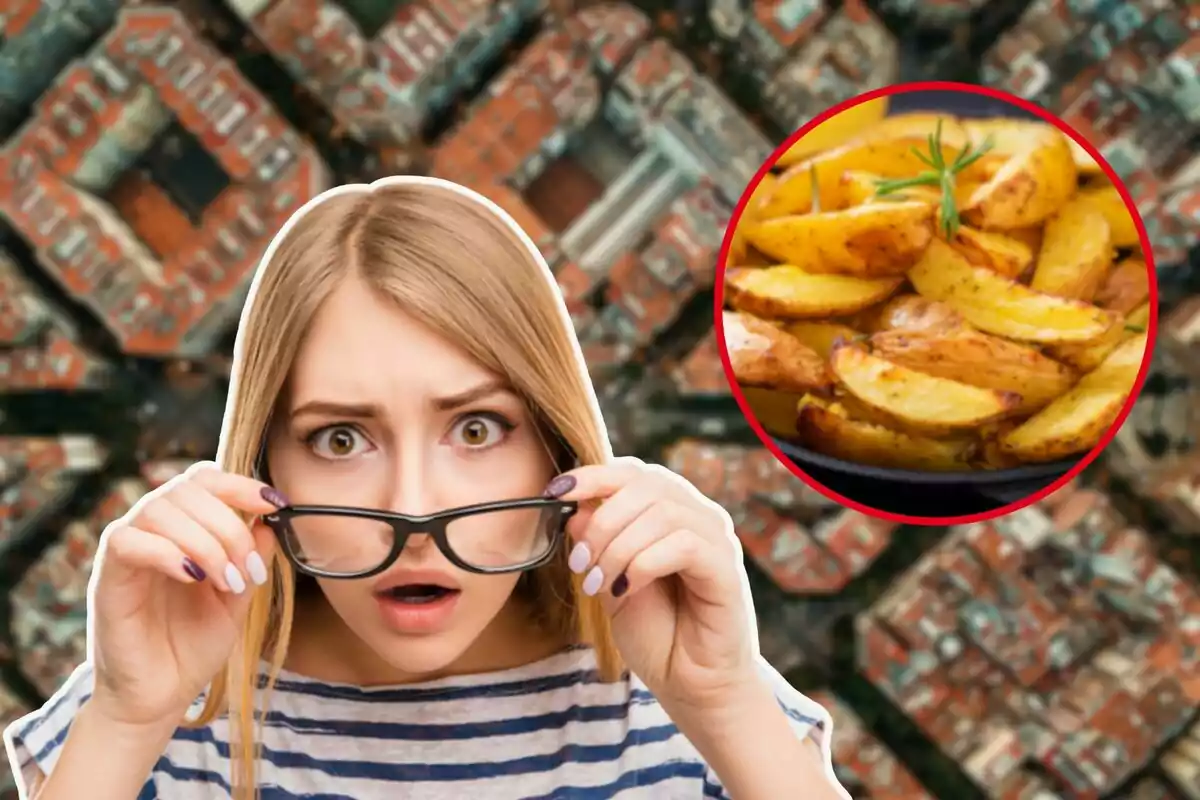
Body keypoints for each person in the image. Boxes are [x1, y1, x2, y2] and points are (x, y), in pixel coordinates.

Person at [4, 177, 848, 800]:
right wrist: (121, 722)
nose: (413, 511)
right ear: (266, 469)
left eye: (476, 430)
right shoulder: (157, 701)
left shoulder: (688, 690)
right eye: (340, 439)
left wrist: (728, 705)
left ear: (552, 444)